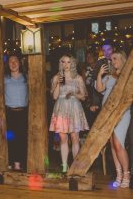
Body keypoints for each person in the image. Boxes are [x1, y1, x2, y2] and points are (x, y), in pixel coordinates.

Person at [95, 51, 131, 188]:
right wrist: (99, 74)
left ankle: (127, 174)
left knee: (118, 143)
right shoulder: (110, 76)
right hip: (107, 114)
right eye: (111, 59)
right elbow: (99, 89)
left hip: (122, 113)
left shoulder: (128, 76)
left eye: (115, 58)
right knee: (112, 145)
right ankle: (119, 174)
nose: (112, 61)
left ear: (123, 59)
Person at [49, 54, 89, 173]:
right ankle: (65, 165)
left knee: (75, 137)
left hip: (74, 108)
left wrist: (73, 93)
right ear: (60, 63)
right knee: (63, 137)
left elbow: (83, 96)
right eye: (63, 62)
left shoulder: (78, 78)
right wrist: (58, 84)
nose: (65, 64)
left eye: (68, 62)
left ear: (72, 63)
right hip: (61, 108)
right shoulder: (56, 77)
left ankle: (75, 166)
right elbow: (55, 97)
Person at [4, 54, 28, 171]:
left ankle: (19, 163)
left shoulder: (26, 78)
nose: (13, 64)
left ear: (19, 63)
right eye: (10, 61)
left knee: (22, 138)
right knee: (10, 138)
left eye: (15, 61)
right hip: (9, 113)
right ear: (8, 65)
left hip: (23, 113)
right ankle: (11, 161)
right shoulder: (4, 79)